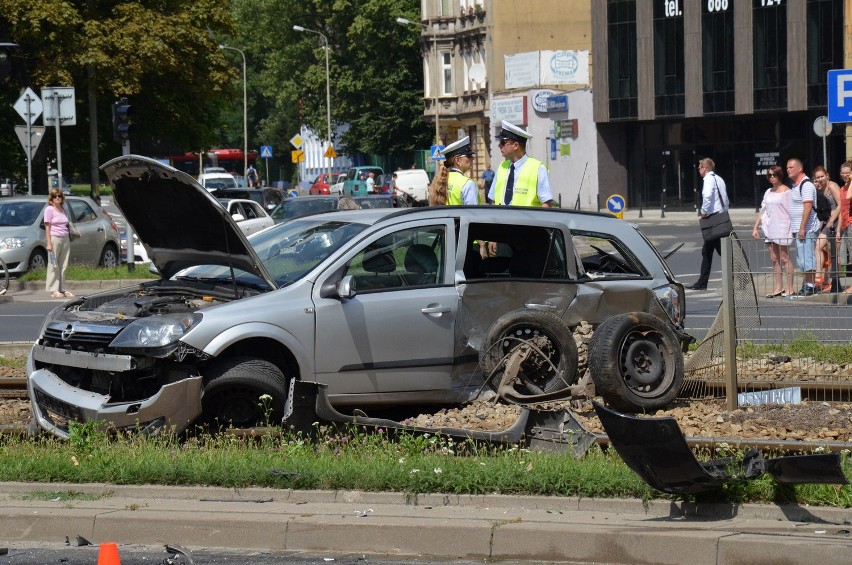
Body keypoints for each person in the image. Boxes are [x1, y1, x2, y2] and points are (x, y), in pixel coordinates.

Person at [487, 121, 553, 208]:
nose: (499, 146)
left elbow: (546, 204)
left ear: (515, 145)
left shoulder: (538, 168)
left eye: (503, 142)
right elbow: (494, 200)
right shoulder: (502, 166)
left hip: (526, 221)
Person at [687, 158, 729, 291]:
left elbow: (707, 196)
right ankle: (702, 282)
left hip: (712, 220)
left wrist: (704, 212)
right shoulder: (719, 178)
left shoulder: (708, 179)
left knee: (718, 252)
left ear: (704, 168)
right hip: (721, 218)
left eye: (699, 168)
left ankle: (702, 283)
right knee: (713, 251)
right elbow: (725, 199)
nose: (699, 170)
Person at [751, 165, 793, 297]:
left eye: (774, 175)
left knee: (784, 257)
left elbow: (791, 211)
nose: (772, 177)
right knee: (774, 258)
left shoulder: (787, 191)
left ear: (780, 175)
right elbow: (762, 210)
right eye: (769, 175)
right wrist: (755, 227)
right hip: (769, 228)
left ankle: (790, 287)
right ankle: (778, 287)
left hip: (782, 227)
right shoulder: (768, 191)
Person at [786, 158, 820, 296]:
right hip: (799, 229)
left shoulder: (806, 185)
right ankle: (807, 284)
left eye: (791, 167)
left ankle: (810, 285)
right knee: (802, 259)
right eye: (787, 167)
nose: (788, 169)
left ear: (799, 168)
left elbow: (807, 206)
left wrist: (801, 228)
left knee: (807, 258)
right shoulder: (795, 185)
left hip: (807, 229)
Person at [812, 165, 842, 292]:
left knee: (834, 254)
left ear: (827, 175)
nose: (820, 179)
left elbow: (841, 206)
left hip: (837, 221)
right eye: (817, 177)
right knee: (819, 246)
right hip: (827, 223)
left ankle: (834, 281)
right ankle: (819, 277)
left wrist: (835, 226)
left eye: (822, 176)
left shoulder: (832, 186)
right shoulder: (820, 188)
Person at [429, 136, 481, 206]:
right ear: (458, 160)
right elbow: (473, 214)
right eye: (469, 156)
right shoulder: (468, 183)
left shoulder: (442, 179)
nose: (472, 159)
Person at [43, 189, 73, 299]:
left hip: (65, 238)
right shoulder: (49, 210)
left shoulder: (63, 209)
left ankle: (62, 288)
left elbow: (67, 223)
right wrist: (49, 243)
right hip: (54, 238)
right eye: (55, 196)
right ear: (51, 198)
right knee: (53, 264)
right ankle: (53, 289)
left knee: (63, 264)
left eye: (59, 196)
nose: (57, 198)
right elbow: (47, 227)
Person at [838, 161, 852, 292]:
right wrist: (838, 229)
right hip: (846, 224)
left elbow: (849, 196)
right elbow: (842, 209)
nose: (845, 175)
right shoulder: (842, 189)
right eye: (842, 173)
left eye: (848, 173)